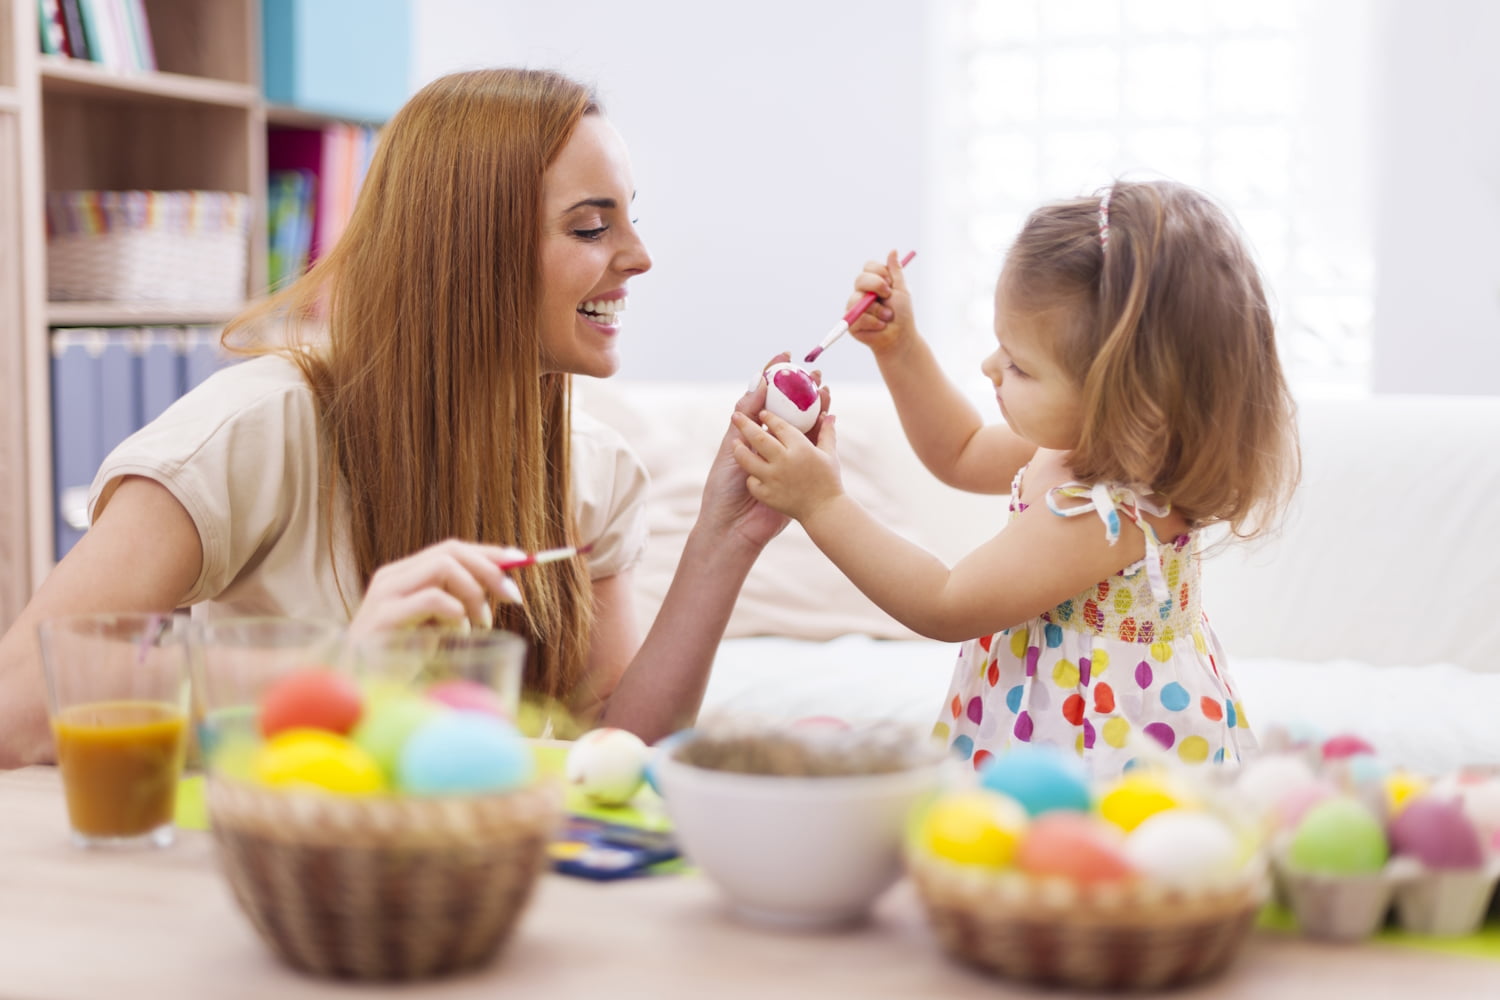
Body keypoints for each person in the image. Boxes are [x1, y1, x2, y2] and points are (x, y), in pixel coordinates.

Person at [0, 68, 810, 768]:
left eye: (631, 217)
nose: (639, 255)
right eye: (592, 226)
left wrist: (723, 541)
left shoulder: (593, 467)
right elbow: (22, 707)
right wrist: (339, 671)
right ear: (468, 249)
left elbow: (608, 750)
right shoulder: (254, 429)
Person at [732, 180, 1299, 777]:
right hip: (1040, 721)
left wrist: (821, 505)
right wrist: (901, 350)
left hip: (1097, 761)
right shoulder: (1082, 442)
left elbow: (945, 604)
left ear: (1129, 400)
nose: (989, 367)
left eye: (1020, 365)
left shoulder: (1108, 515)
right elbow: (961, 450)